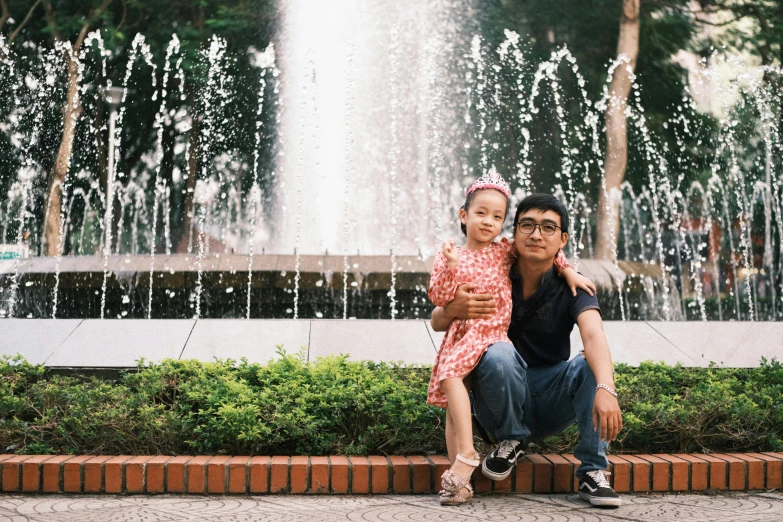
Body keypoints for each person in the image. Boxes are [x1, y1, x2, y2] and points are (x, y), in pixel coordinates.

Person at [430, 193, 623, 508]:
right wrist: (453, 307)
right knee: (498, 354)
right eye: (527, 225)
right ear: (514, 232)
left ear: (562, 239)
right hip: (497, 398)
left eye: (548, 228)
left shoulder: (571, 286)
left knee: (590, 365)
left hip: (548, 395)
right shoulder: (493, 268)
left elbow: (593, 334)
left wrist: (606, 387)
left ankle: (593, 472)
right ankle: (511, 438)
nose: (536, 234)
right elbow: (438, 321)